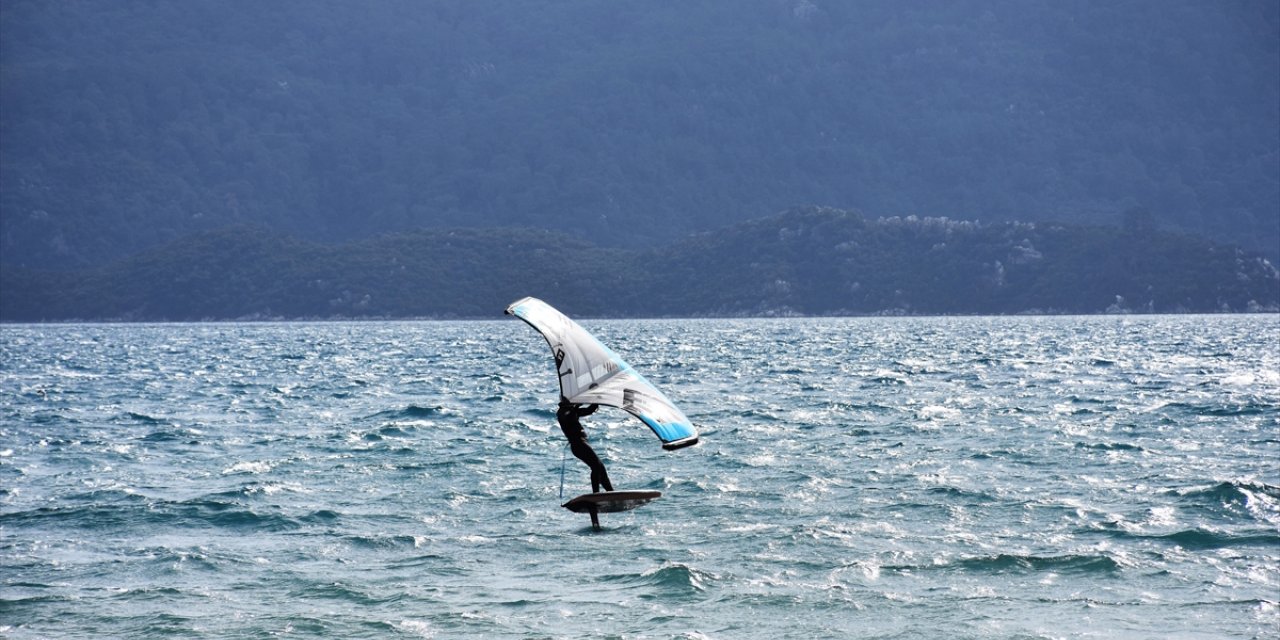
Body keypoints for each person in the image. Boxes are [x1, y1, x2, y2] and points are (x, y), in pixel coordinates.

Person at [557, 398, 613, 493]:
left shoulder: (573, 411)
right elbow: (567, 416)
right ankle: (596, 494)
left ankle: (611, 493)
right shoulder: (562, 412)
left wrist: (596, 400)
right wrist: (576, 405)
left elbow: (589, 410)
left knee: (601, 468)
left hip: (582, 444)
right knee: (596, 466)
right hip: (578, 445)